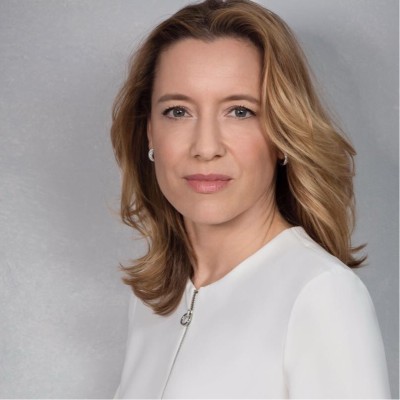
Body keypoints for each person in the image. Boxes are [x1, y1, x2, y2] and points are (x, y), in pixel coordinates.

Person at [110, 0, 391, 398]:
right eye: (177, 111)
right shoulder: (153, 302)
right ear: (149, 132)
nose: (206, 147)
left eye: (240, 111)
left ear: (283, 133)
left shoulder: (320, 294)